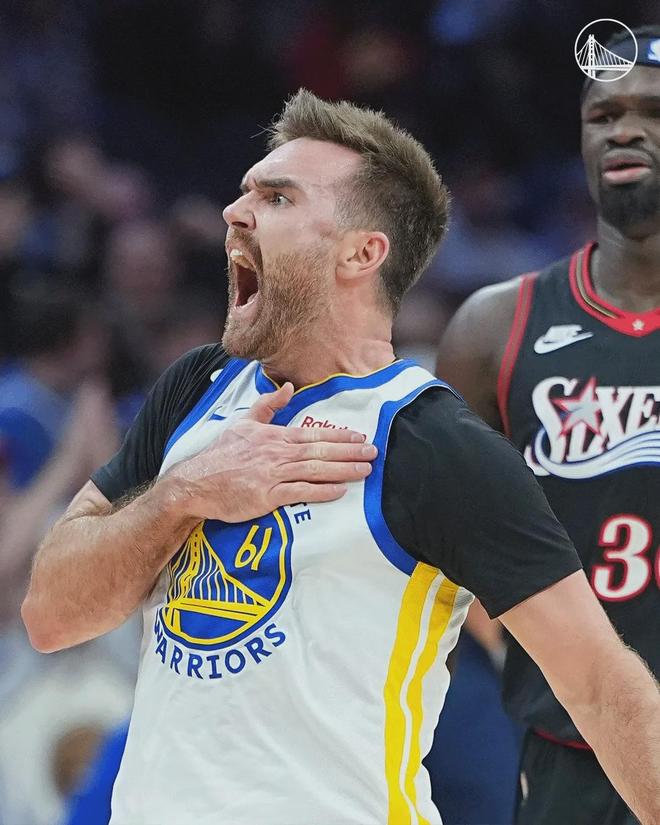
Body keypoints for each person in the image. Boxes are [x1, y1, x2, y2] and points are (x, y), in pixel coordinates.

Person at [22, 90, 660, 825]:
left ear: (362, 252)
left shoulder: (431, 442)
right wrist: (182, 493)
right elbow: (51, 614)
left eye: (277, 198)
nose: (234, 212)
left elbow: (602, 685)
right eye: (245, 192)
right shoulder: (195, 388)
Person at [436, 26, 660, 825]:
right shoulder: (494, 328)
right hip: (571, 751)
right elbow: (447, 541)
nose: (624, 131)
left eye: (651, 113)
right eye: (604, 116)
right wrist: (545, 655)